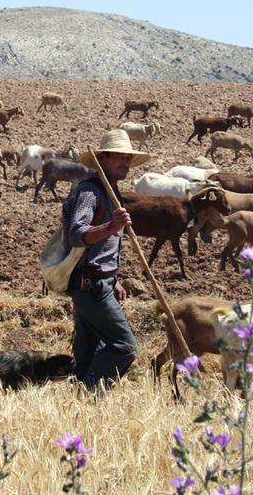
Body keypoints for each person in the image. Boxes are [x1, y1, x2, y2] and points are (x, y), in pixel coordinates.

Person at [62, 129, 151, 389]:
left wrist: (113, 278)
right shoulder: (90, 192)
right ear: (102, 159)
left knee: (90, 349)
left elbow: (102, 248)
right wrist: (111, 227)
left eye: (127, 158)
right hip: (89, 285)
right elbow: (78, 234)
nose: (124, 163)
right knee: (124, 347)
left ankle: (81, 402)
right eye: (119, 158)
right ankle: (90, 392)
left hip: (100, 281)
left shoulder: (112, 192)